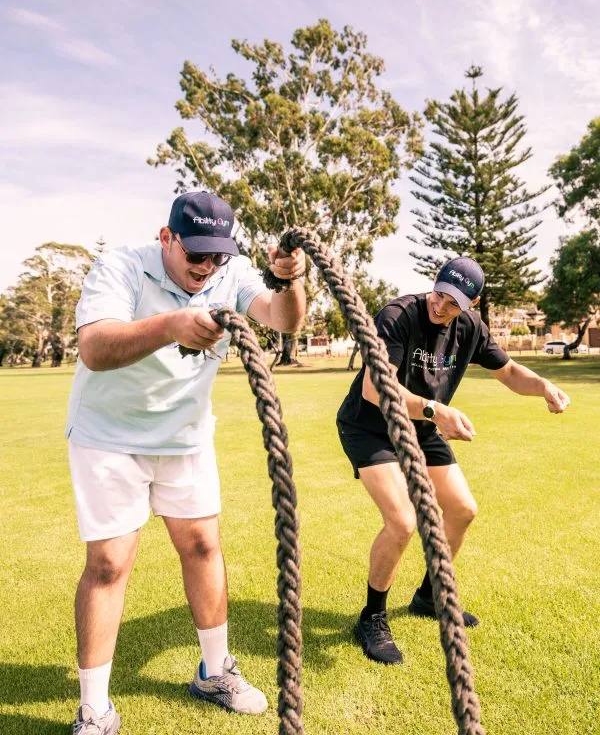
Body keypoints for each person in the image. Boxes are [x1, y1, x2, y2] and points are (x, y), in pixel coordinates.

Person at [66, 191, 306, 734]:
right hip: (108, 436)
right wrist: (172, 325)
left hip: (185, 436)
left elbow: (282, 319)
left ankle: (215, 670)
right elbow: (95, 348)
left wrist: (290, 281)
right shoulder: (121, 266)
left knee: (202, 545)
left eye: (217, 256)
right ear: (166, 238)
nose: (206, 268)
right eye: (195, 254)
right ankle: (95, 708)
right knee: (109, 564)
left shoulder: (231, 271)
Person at [336, 257, 570, 665]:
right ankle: (372, 617)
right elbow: (377, 389)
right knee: (403, 521)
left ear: (472, 303)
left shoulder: (471, 328)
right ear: (434, 282)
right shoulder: (396, 316)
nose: (441, 307)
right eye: (439, 295)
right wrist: (435, 411)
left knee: (462, 510)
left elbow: (510, 371)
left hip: (423, 429)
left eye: (453, 303)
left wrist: (544, 386)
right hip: (370, 426)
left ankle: (429, 597)